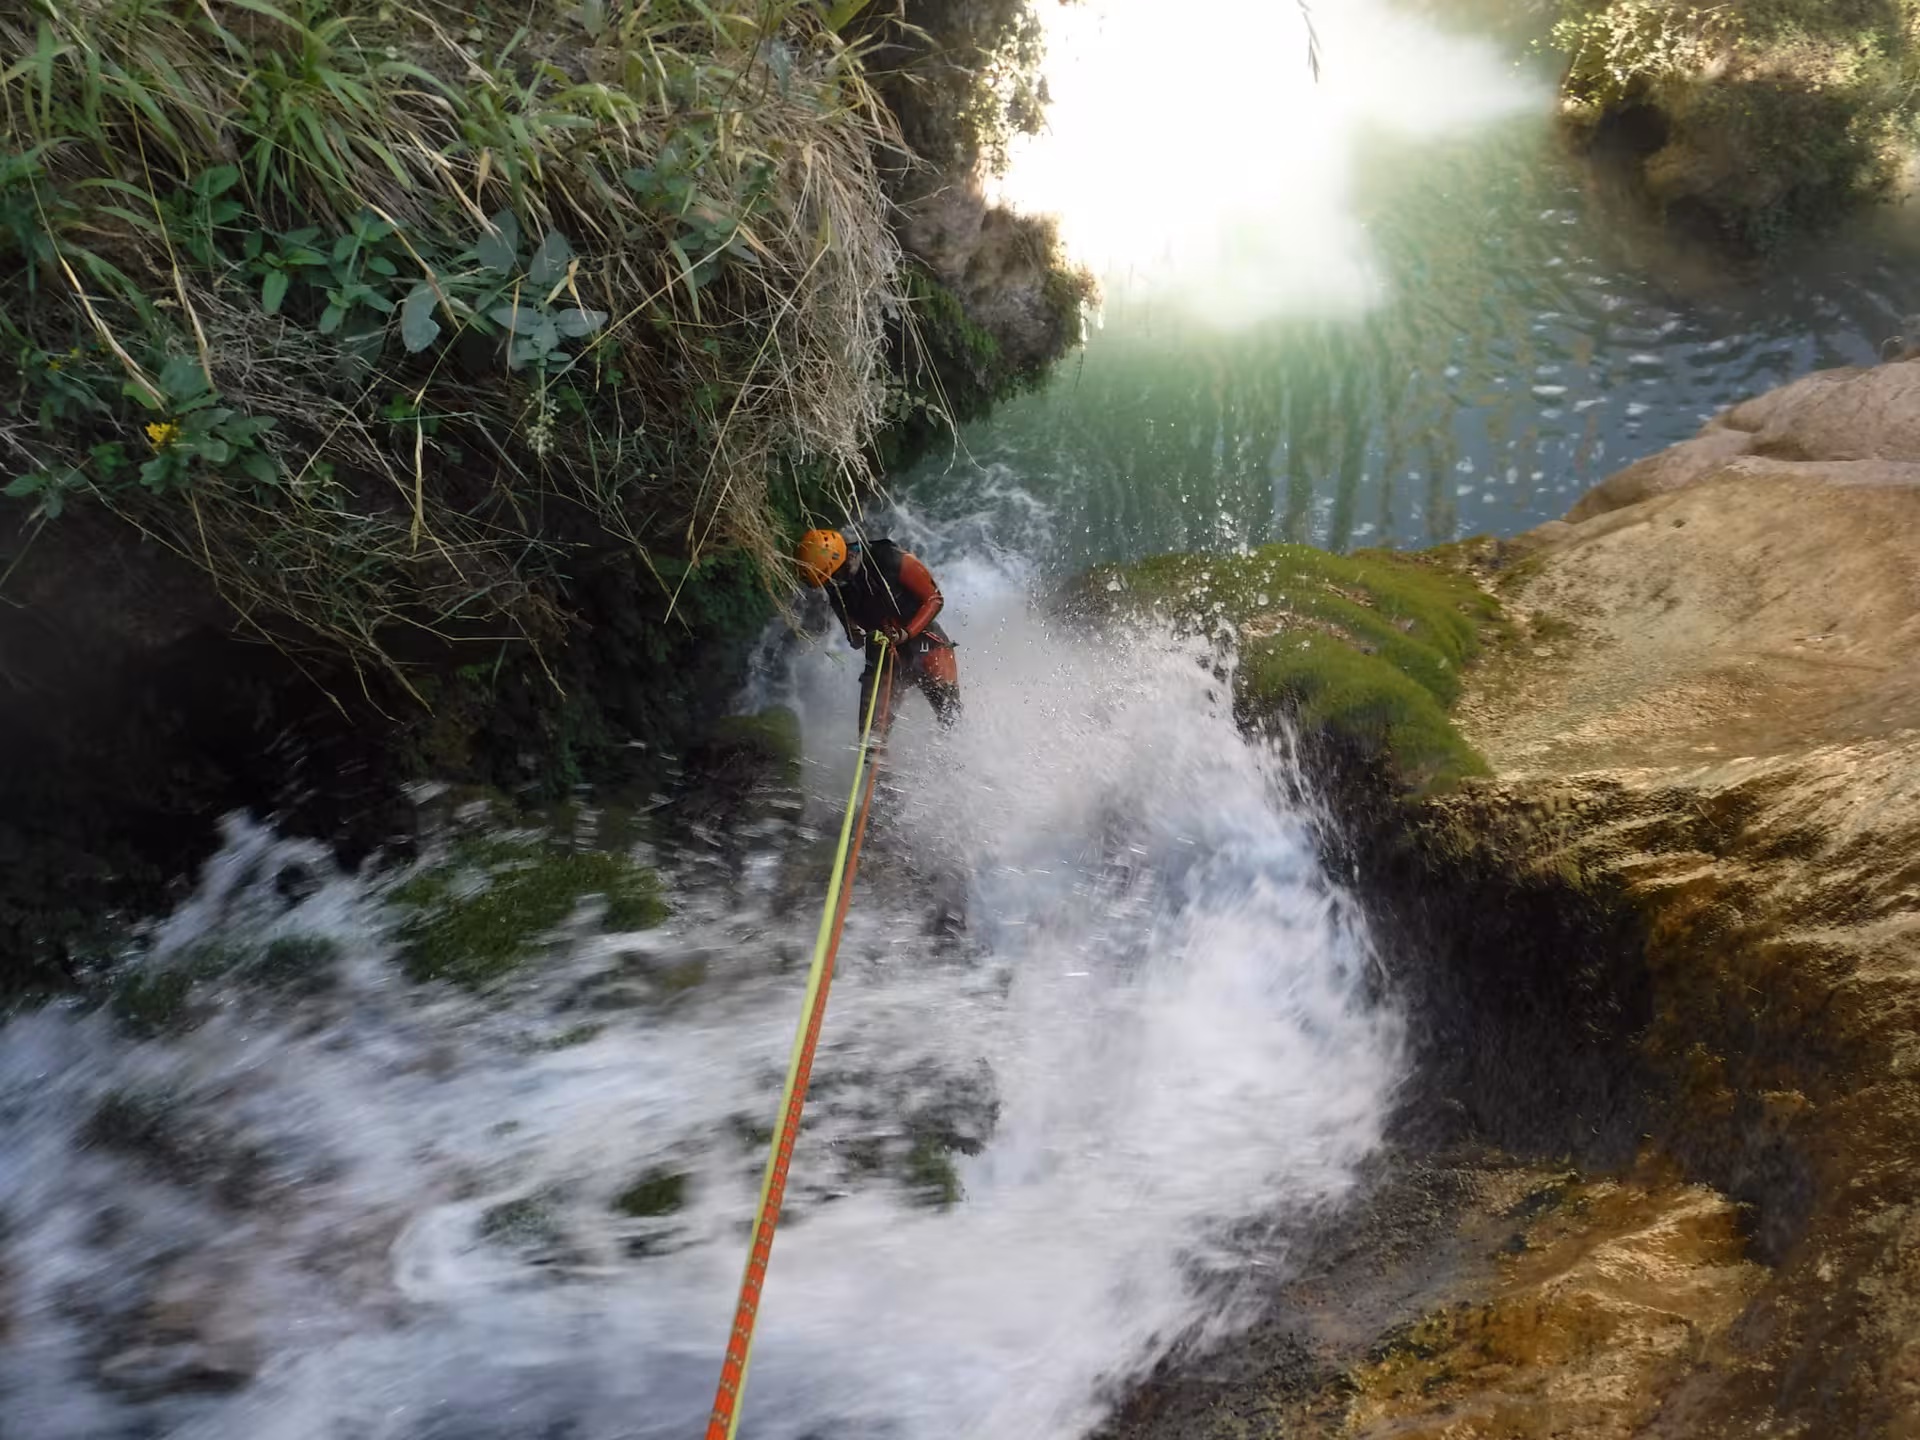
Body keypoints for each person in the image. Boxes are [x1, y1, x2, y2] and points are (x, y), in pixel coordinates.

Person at [795, 528, 961, 733]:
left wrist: (906, 633)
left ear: (841, 560)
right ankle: (878, 758)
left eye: (833, 576)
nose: (833, 583)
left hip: (926, 642)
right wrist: (852, 633)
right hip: (887, 654)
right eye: (827, 581)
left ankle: (962, 753)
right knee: (872, 737)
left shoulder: (887, 558)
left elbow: (934, 599)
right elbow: (844, 612)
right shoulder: (834, 581)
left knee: (951, 717)